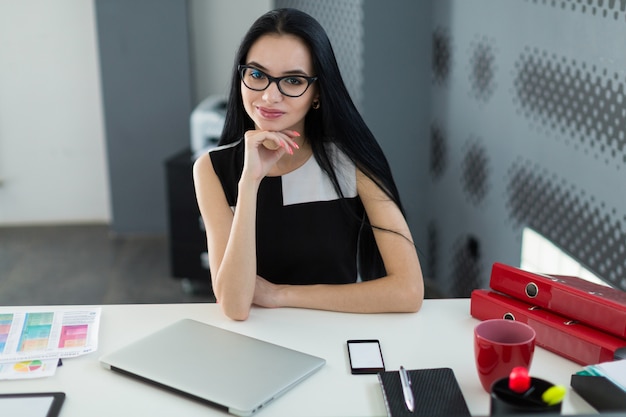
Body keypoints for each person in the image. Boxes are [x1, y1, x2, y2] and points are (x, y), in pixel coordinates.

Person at [193, 8, 424, 321]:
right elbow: (234, 305)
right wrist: (250, 182)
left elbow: (408, 291)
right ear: (241, 77)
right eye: (257, 75)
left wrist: (280, 294)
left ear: (317, 93)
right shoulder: (211, 169)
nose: (270, 96)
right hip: (257, 343)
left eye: (292, 80)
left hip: (336, 334)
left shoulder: (350, 161)